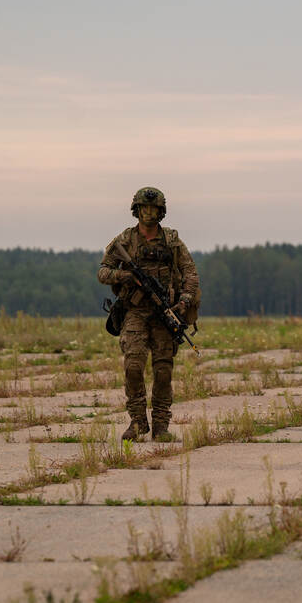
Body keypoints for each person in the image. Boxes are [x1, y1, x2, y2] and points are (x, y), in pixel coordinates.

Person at [98, 187, 200, 442]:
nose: (149, 213)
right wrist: (125, 276)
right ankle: (137, 422)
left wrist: (184, 301)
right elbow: (103, 272)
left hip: (165, 312)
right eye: (144, 208)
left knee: (163, 370)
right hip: (134, 311)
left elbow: (191, 274)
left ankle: (161, 425)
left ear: (161, 212)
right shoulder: (125, 240)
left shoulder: (172, 241)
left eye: (154, 209)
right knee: (133, 366)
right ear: (137, 210)